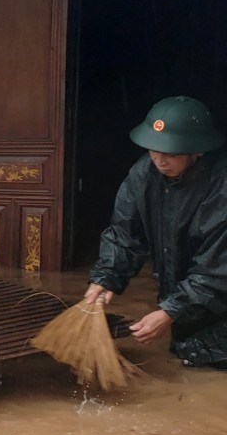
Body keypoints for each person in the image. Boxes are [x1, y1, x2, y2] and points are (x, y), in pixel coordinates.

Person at [83, 95, 227, 367]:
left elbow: (217, 271)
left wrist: (169, 311)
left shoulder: (221, 186)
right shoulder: (143, 174)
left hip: (220, 310)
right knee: (188, 365)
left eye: (171, 153)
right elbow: (125, 233)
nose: (160, 160)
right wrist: (107, 276)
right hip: (187, 306)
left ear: (197, 151)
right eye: (153, 149)